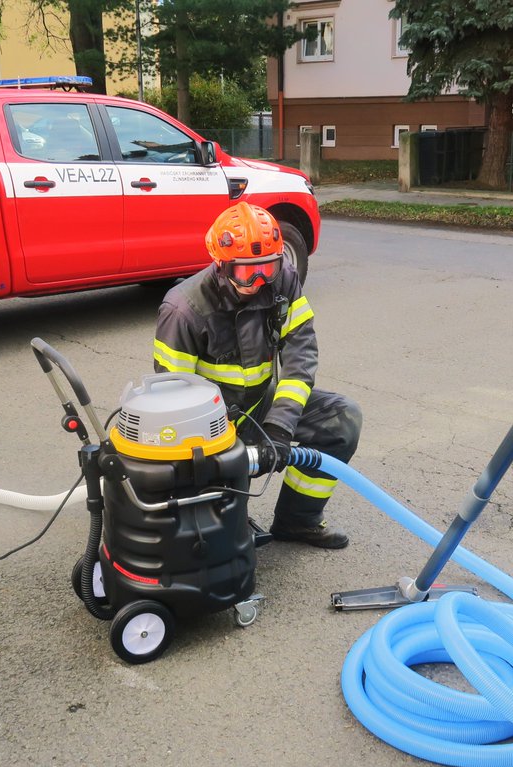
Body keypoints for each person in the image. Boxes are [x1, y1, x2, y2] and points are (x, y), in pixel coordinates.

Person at [153, 203, 362, 549]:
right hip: (213, 423)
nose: (260, 280)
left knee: (342, 421)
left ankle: (298, 521)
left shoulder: (283, 282)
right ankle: (226, 519)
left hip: (262, 405)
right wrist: (226, 447)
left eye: (268, 267)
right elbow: (173, 398)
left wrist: (280, 427)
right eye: (248, 272)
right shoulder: (183, 310)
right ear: (221, 265)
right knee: (227, 544)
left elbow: (300, 356)